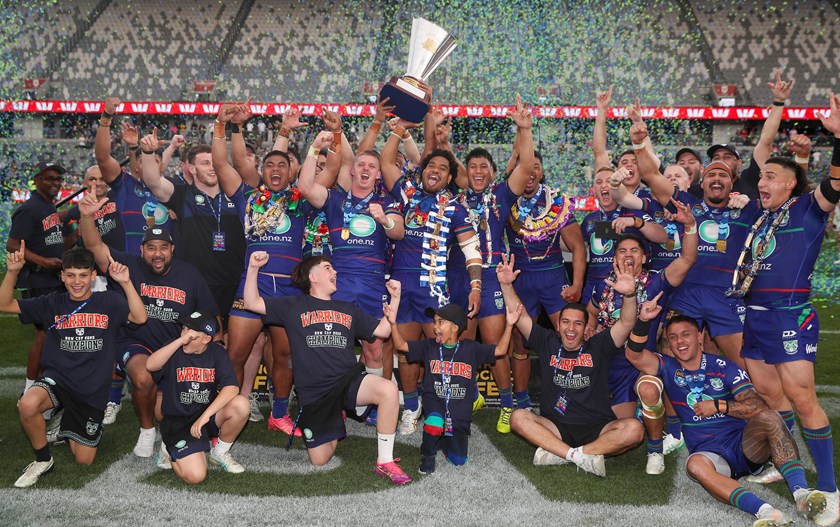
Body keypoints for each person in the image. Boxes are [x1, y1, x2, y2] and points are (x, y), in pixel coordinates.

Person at [734, 96, 840, 526]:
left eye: (771, 176)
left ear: (791, 184)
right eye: (761, 176)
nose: (762, 181)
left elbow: (835, 185)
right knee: (772, 396)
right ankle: (784, 461)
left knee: (801, 398)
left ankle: (830, 489)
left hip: (789, 315)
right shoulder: (763, 219)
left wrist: (838, 137)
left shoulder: (808, 208)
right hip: (755, 317)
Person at [626, 312, 829, 527]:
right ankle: (766, 512)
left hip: (744, 446)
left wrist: (719, 406)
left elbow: (757, 406)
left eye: (686, 334)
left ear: (700, 337)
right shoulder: (667, 366)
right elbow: (633, 354)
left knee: (770, 417)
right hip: (710, 454)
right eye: (673, 337)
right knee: (694, 465)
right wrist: (643, 320)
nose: (679, 342)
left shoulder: (723, 366)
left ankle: (801, 494)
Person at [243, 252, 412, 485]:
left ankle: (385, 461)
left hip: (347, 381)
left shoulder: (347, 308)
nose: (335, 272)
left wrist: (395, 298)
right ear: (312, 277)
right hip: (315, 394)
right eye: (327, 268)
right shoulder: (292, 305)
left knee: (389, 390)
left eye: (333, 268)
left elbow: (382, 331)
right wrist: (253, 268)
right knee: (320, 459)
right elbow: (252, 303)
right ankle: (336, 418)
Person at [78, 192, 220, 460]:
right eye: (151, 247)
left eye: (163, 247)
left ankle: (162, 419)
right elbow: (95, 247)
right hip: (136, 341)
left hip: (175, 348)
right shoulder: (128, 266)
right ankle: (146, 430)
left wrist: (214, 346)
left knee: (165, 412)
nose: (157, 253)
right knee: (143, 378)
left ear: (172, 250)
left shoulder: (189, 274)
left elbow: (211, 315)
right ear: (141, 250)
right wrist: (86, 216)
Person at [1, 245, 146, 487]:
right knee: (27, 404)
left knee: (84, 460)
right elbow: (4, 304)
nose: (76, 282)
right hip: (58, 380)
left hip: (91, 391)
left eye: (82, 275)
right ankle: (43, 459)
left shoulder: (109, 301)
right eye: (70, 275)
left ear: (93, 276)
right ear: (62, 277)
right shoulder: (52, 303)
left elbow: (140, 317)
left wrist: (126, 282)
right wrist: (13, 272)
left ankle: (66, 425)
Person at [212, 103, 315, 436]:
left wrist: (322, 142)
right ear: (262, 171)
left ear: (291, 173)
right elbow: (221, 164)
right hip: (252, 286)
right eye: (269, 164)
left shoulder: (301, 201)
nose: (275, 169)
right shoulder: (247, 197)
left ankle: (279, 414)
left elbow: (326, 175)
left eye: (282, 165)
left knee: (285, 356)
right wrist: (221, 125)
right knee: (235, 355)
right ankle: (225, 412)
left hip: (288, 289)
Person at [379, 116, 483, 436]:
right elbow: (386, 161)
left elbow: (471, 250)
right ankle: (411, 408)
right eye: (430, 165)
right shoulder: (406, 193)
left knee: (442, 350)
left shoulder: (455, 208)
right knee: (406, 352)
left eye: (442, 167)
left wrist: (476, 286)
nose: (434, 169)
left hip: (433, 289)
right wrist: (399, 129)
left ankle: (445, 407)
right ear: (423, 170)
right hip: (401, 287)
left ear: (449, 177)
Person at [497, 254, 644, 477]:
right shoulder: (547, 341)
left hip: (598, 427)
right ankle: (581, 455)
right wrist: (506, 285)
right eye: (565, 322)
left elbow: (626, 322)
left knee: (634, 429)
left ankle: (563, 453)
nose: (571, 328)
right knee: (518, 417)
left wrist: (630, 295)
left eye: (578, 323)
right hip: (555, 427)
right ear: (558, 325)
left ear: (586, 329)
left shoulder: (599, 345)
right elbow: (520, 315)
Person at [297, 131, 405, 426]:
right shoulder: (335, 199)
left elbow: (398, 232)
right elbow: (305, 187)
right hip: (339, 283)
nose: (366, 169)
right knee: (330, 345)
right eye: (361, 165)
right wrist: (314, 149)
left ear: (378, 174)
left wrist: (384, 219)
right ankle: (329, 401)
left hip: (372, 284)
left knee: (374, 348)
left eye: (372, 166)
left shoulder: (386, 202)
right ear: (352, 171)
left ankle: (368, 405)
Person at [387, 301, 518, 474]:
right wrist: (392, 323)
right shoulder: (429, 346)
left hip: (458, 412)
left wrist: (509, 325)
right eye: (434, 322)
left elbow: (500, 350)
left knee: (458, 461)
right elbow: (401, 346)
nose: (435, 327)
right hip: (435, 403)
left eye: (440, 322)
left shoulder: (471, 349)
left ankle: (442, 439)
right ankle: (427, 456)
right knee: (434, 423)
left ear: (455, 327)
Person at [140, 131, 246, 337]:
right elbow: (153, 181)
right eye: (205, 163)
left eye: (215, 163)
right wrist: (148, 152)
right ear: (191, 168)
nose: (212, 167)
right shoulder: (182, 195)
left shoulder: (236, 196)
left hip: (235, 282)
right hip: (197, 284)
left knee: (237, 345)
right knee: (200, 339)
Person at [505, 147, 586, 413]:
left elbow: (578, 247)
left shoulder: (556, 201)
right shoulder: (506, 199)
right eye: (526, 166)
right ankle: (522, 403)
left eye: (536, 166)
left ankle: (571, 397)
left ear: (541, 172)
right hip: (521, 277)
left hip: (553, 276)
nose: (530, 172)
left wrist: (576, 285)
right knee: (519, 341)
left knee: (568, 336)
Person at [147, 311, 249, 483]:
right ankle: (168, 448)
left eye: (192, 335)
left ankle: (219, 453)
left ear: (206, 339)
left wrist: (205, 416)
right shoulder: (174, 347)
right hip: (178, 421)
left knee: (241, 405)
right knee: (196, 476)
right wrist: (180, 341)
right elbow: (150, 365)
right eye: (183, 329)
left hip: (204, 418)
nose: (185, 336)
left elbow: (232, 388)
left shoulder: (217, 352)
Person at [7, 162, 68, 394]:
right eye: (50, 178)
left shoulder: (47, 205)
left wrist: (75, 235)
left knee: (52, 336)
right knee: (44, 337)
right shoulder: (30, 208)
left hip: (51, 279)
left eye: (58, 179)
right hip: (38, 279)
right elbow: (12, 244)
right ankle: (30, 390)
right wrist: (43, 261)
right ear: (37, 180)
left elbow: (50, 241)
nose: (55, 183)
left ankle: (44, 386)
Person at [95, 98, 177, 254]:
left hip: (166, 265)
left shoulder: (175, 190)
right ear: (136, 166)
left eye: (154, 160)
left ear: (162, 166)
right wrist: (106, 117)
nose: (148, 164)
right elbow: (102, 158)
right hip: (131, 264)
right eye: (142, 161)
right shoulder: (125, 185)